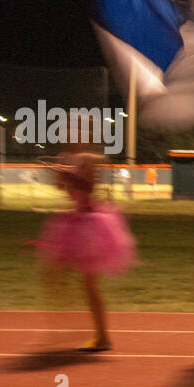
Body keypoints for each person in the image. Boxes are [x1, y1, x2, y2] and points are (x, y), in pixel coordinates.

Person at [34, 150, 137, 351]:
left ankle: (98, 335)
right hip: (75, 222)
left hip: (90, 224)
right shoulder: (67, 158)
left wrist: (69, 174)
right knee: (56, 274)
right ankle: (79, 326)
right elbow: (61, 187)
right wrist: (61, 173)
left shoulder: (88, 159)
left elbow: (89, 186)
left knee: (88, 285)